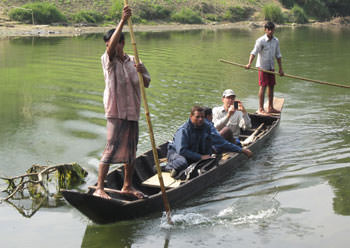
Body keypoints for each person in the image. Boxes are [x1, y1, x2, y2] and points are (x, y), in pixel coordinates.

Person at [93, 6, 151, 199]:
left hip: (132, 112)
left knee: (131, 152)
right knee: (110, 148)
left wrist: (142, 71)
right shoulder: (107, 60)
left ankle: (127, 186)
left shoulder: (133, 59)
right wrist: (123, 21)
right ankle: (100, 187)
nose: (110, 46)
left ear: (123, 43)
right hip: (115, 112)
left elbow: (147, 84)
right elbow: (109, 50)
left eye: (115, 43)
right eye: (108, 44)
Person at [245, 21, 284, 115]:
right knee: (263, 86)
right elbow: (254, 52)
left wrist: (280, 69)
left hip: (271, 67)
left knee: (271, 86)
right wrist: (249, 63)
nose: (270, 31)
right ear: (265, 30)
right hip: (262, 67)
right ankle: (261, 108)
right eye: (268, 29)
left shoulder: (276, 41)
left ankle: (270, 107)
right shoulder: (260, 40)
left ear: (274, 30)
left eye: (272, 29)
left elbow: (278, 55)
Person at [165, 106, 212, 177]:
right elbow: (182, 151)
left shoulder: (206, 127)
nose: (200, 119)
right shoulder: (184, 130)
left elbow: (208, 142)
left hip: (193, 151)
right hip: (176, 153)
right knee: (183, 162)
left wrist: (208, 155)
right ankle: (166, 167)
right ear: (191, 116)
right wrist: (200, 157)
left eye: (202, 117)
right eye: (197, 117)